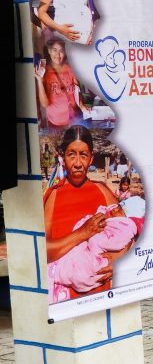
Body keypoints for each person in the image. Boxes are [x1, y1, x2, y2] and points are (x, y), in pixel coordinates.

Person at [43, 125, 129, 299]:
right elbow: (43, 250)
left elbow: (126, 232)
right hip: (65, 298)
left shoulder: (103, 191)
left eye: (83, 155)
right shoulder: (53, 195)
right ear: (62, 157)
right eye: (71, 154)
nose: (77, 163)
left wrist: (119, 258)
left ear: (91, 159)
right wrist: (83, 233)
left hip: (102, 293)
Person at [34, 38, 85, 128]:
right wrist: (39, 81)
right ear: (49, 51)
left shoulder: (70, 68)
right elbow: (45, 104)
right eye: (55, 50)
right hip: (56, 124)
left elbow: (77, 90)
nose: (58, 54)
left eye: (61, 51)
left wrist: (81, 104)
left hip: (74, 120)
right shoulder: (45, 73)